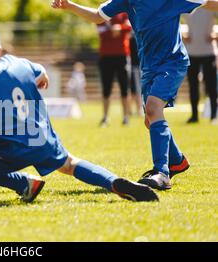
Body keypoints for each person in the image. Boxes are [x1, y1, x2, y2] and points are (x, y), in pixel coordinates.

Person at [0, 22, 158, 209]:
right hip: (42, 138)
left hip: (11, 153)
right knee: (71, 164)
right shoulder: (17, 63)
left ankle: (22, 183)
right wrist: (41, 79)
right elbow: (40, 72)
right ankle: (112, 182)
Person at [50, 0, 218, 190]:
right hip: (148, 68)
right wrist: (69, 5)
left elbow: (210, 3)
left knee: (154, 109)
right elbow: (98, 16)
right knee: (151, 120)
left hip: (173, 63)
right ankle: (177, 161)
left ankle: (162, 173)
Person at [97, 13, 132, 127]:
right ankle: (105, 117)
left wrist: (119, 27)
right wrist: (112, 31)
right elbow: (100, 31)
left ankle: (126, 117)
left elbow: (129, 27)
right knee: (106, 88)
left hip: (122, 55)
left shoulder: (124, 13)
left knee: (124, 87)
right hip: (106, 56)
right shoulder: (102, 11)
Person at [184, 9, 218, 124]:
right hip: (192, 53)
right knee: (193, 87)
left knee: (211, 86)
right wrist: (182, 36)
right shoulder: (187, 6)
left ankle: (213, 115)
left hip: (209, 53)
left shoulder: (210, 5)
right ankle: (194, 116)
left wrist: (215, 35)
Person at [129, 32, 143, 116]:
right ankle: (136, 108)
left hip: (138, 66)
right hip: (134, 66)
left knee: (138, 88)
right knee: (135, 89)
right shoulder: (132, 37)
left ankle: (139, 108)